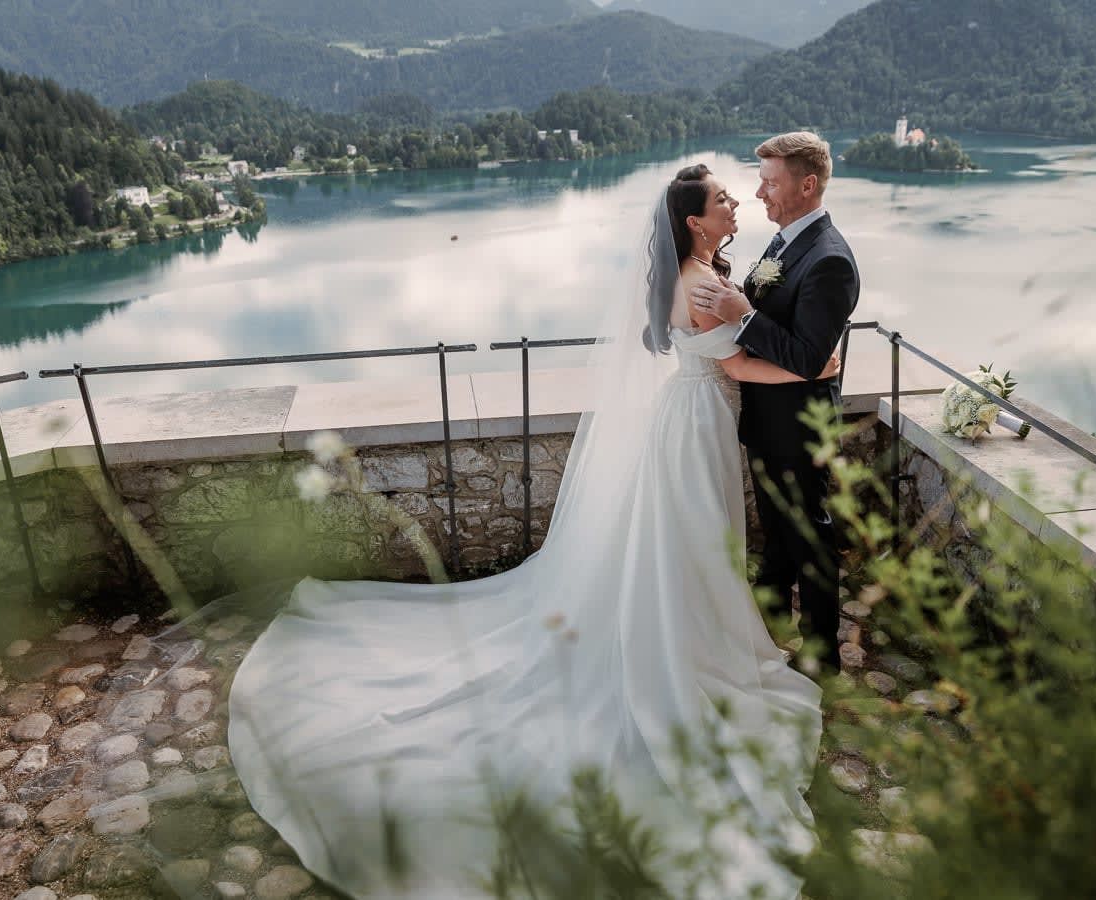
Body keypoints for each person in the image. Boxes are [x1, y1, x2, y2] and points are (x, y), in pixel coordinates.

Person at [220, 164, 830, 900]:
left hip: (694, 419)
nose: (737, 202)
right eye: (724, 199)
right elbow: (736, 361)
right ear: (695, 222)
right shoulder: (701, 284)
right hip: (697, 422)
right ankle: (686, 646)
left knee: (689, 544)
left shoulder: (704, 270)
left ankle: (694, 629)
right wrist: (815, 365)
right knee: (692, 541)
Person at [690, 132, 860, 673]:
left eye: (770, 181)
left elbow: (807, 357)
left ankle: (821, 655)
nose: (759, 192)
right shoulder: (784, 241)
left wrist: (742, 315)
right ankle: (768, 621)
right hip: (767, 421)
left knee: (809, 536)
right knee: (778, 530)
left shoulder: (829, 260)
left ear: (807, 184)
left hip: (799, 426)